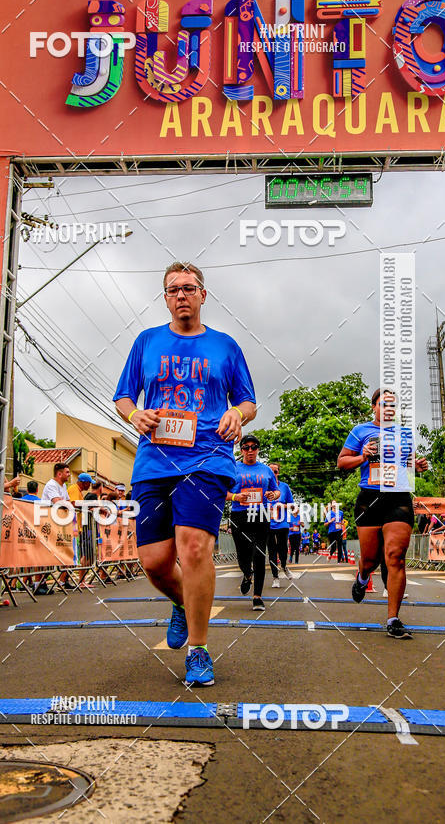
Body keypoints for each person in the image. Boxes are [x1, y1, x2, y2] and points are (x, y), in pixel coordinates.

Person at [114, 261, 256, 687]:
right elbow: (123, 396)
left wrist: (235, 413)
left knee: (193, 548)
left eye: (189, 288)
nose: (181, 295)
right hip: (154, 460)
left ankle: (198, 649)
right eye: (173, 289)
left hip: (208, 459)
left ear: (203, 295)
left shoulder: (225, 346)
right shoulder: (147, 342)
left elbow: (248, 401)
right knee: (155, 563)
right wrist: (135, 413)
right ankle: (181, 602)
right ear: (165, 297)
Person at [337, 388, 428, 639]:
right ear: (374, 407)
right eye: (383, 404)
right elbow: (342, 462)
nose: (388, 409)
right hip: (369, 499)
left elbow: (408, 464)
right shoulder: (360, 431)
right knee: (371, 559)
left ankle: (393, 619)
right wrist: (362, 456)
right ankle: (363, 576)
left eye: (392, 405)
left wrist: (417, 467)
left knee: (395, 557)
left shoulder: (405, 434)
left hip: (398, 498)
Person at [229, 436, 280, 608]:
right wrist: (236, 496)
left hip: (261, 514)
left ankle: (257, 596)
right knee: (243, 555)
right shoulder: (233, 467)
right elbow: (222, 491)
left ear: (258, 449)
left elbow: (276, 491)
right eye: (246, 447)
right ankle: (246, 574)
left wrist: (273, 495)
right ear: (241, 449)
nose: (250, 450)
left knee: (259, 554)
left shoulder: (266, 470)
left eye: (254, 447)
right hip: (239, 514)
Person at [266, 462, 293, 587]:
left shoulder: (284, 487)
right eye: (270, 471)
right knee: (271, 550)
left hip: (282, 523)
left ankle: (284, 565)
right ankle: (275, 577)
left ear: (278, 473)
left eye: (275, 471)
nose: (273, 474)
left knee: (282, 548)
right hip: (268, 523)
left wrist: (282, 505)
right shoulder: (263, 487)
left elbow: (292, 505)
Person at [68, 473, 96, 565]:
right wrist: (89, 505)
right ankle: (64, 579)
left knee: (77, 554)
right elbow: (74, 503)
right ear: (84, 483)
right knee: (74, 555)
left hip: (77, 526)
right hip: (72, 526)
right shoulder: (74, 489)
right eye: (89, 483)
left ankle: (77, 578)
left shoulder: (79, 491)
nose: (90, 486)